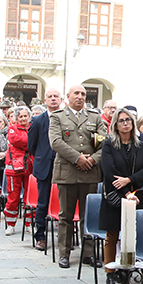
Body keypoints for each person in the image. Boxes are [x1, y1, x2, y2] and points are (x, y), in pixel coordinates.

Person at [49, 85, 104, 268]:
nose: (80, 97)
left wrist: (93, 160)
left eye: (83, 94)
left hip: (89, 172)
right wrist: (77, 158)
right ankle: (64, 253)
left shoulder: (95, 117)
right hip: (68, 173)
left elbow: (105, 143)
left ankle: (88, 254)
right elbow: (56, 142)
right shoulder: (58, 117)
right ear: (68, 96)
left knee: (87, 216)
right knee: (66, 215)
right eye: (76, 94)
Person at [99, 107, 143, 284]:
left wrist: (129, 181)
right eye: (121, 120)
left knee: (131, 235)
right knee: (112, 235)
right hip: (115, 193)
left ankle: (127, 272)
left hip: (136, 193)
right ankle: (110, 274)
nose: (125, 123)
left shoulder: (142, 145)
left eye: (128, 119)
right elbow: (108, 170)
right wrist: (122, 189)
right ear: (115, 124)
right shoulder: (108, 144)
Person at [27, 87, 61, 250]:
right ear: (45, 100)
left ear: (61, 100)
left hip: (63, 167)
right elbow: (31, 145)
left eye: (56, 96)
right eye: (50, 96)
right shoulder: (38, 120)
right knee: (42, 203)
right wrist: (43, 156)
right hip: (44, 167)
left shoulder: (65, 118)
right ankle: (40, 236)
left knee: (64, 204)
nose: (53, 99)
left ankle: (64, 239)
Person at [3, 106, 31, 234]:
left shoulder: (32, 128)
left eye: (25, 116)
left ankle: (29, 223)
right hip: (14, 169)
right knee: (13, 197)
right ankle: (10, 223)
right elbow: (16, 140)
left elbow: (27, 142)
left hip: (30, 168)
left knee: (30, 198)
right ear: (16, 118)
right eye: (21, 116)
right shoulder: (12, 129)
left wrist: (26, 143)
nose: (23, 118)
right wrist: (29, 143)